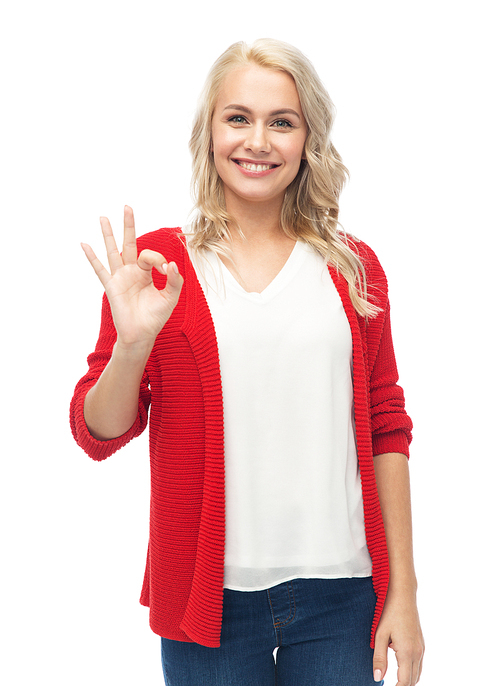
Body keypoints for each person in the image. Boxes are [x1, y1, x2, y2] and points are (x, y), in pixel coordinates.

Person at [70, 38, 424, 686]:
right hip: (208, 604)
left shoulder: (355, 268)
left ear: (306, 139)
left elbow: (386, 428)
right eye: (238, 118)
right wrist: (131, 346)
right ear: (209, 132)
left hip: (342, 598)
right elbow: (100, 432)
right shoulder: (156, 266)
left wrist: (404, 590)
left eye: (280, 122)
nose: (257, 140)